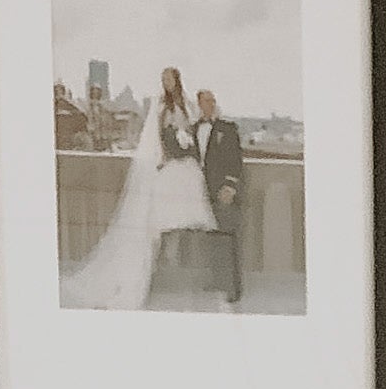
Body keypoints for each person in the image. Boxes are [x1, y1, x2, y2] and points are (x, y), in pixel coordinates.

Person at [62, 62, 220, 312]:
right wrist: (169, 152)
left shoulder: (185, 104)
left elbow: (189, 130)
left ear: (177, 80)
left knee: (186, 204)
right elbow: (159, 133)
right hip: (169, 160)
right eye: (164, 79)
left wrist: (186, 144)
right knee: (156, 216)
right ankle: (150, 265)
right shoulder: (161, 104)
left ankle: (173, 258)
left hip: (185, 162)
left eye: (170, 79)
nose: (167, 83)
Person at [196, 87, 251, 302]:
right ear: (199, 104)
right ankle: (217, 280)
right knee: (213, 238)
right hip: (203, 191)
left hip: (223, 191)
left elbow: (235, 160)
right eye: (205, 101)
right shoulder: (194, 129)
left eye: (212, 100)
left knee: (229, 238)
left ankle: (234, 289)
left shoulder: (227, 128)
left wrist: (230, 186)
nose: (209, 104)